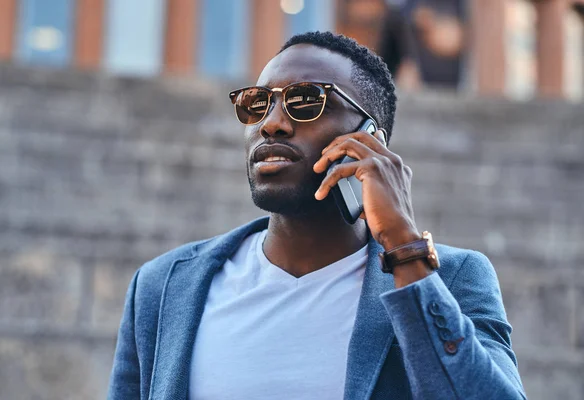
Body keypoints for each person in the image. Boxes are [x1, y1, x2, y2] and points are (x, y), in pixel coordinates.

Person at [108, 31, 526, 399]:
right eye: (258, 104)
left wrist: (404, 248)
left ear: (369, 139)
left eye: (305, 101)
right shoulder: (163, 286)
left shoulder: (452, 278)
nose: (271, 125)